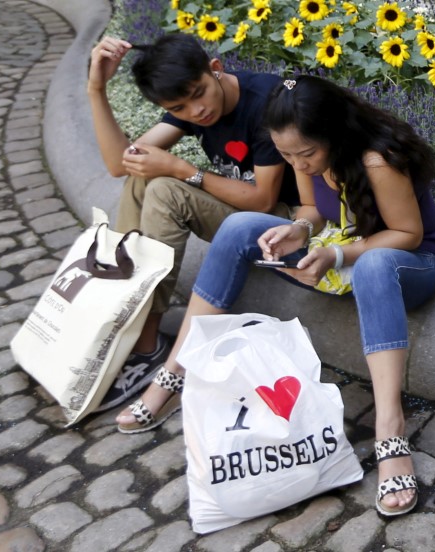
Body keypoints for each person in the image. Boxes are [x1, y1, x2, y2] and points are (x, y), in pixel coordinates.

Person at [116, 75, 435, 517]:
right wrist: (298, 230)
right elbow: (311, 210)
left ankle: (390, 429)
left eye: (305, 154)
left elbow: (407, 233)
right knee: (238, 227)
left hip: (403, 265)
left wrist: (335, 253)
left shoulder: (376, 159)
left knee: (373, 265)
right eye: (286, 154)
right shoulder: (302, 156)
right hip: (340, 253)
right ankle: (175, 372)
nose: (298, 164)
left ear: (335, 133)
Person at [87, 34, 298, 412]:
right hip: (240, 213)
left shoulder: (266, 102)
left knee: (168, 188)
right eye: (179, 107)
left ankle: (146, 345)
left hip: (284, 223)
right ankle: (132, 320)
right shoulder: (191, 106)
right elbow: (120, 163)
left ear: (215, 69)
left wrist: (184, 170)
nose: (196, 111)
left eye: (199, 93)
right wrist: (96, 88)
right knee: (142, 178)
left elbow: (265, 200)